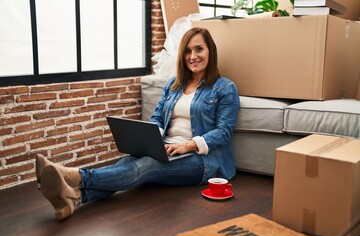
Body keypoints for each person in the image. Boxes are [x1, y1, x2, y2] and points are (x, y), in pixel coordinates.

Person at [36, 27, 240, 220]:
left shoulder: (224, 87)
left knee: (148, 166)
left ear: (210, 51)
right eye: (187, 51)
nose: (192, 56)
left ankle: (75, 176)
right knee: (127, 162)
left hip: (202, 159)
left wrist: (187, 145)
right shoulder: (174, 84)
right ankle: (75, 198)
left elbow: (223, 132)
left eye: (199, 49)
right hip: (167, 147)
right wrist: (150, 140)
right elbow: (158, 118)